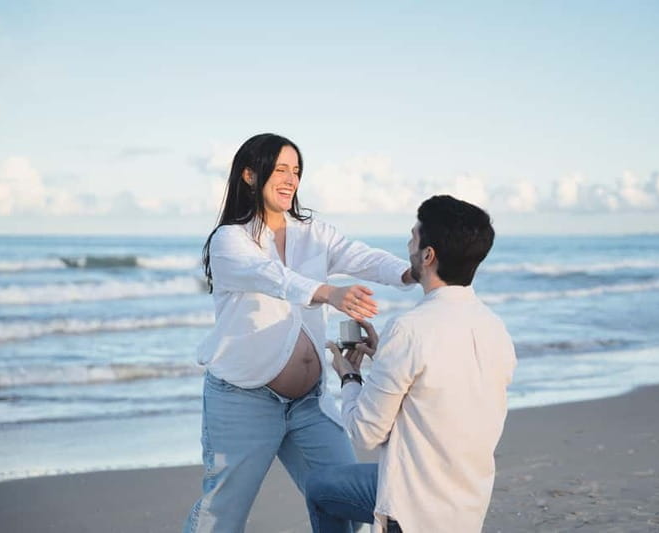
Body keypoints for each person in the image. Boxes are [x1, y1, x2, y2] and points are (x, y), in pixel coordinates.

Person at [184, 133, 416, 532]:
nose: (290, 179)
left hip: (309, 404)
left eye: (296, 171)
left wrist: (410, 273)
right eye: (280, 169)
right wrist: (329, 293)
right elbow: (271, 276)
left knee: (343, 499)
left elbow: (361, 256)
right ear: (250, 175)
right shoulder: (229, 240)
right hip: (244, 401)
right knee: (222, 515)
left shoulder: (314, 234)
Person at [305, 195, 517, 533]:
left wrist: (351, 377)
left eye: (413, 238)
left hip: (414, 509)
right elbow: (444, 387)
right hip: (467, 503)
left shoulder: (409, 329)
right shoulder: (495, 328)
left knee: (318, 485)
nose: (408, 246)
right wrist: (384, 357)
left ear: (428, 255)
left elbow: (365, 433)